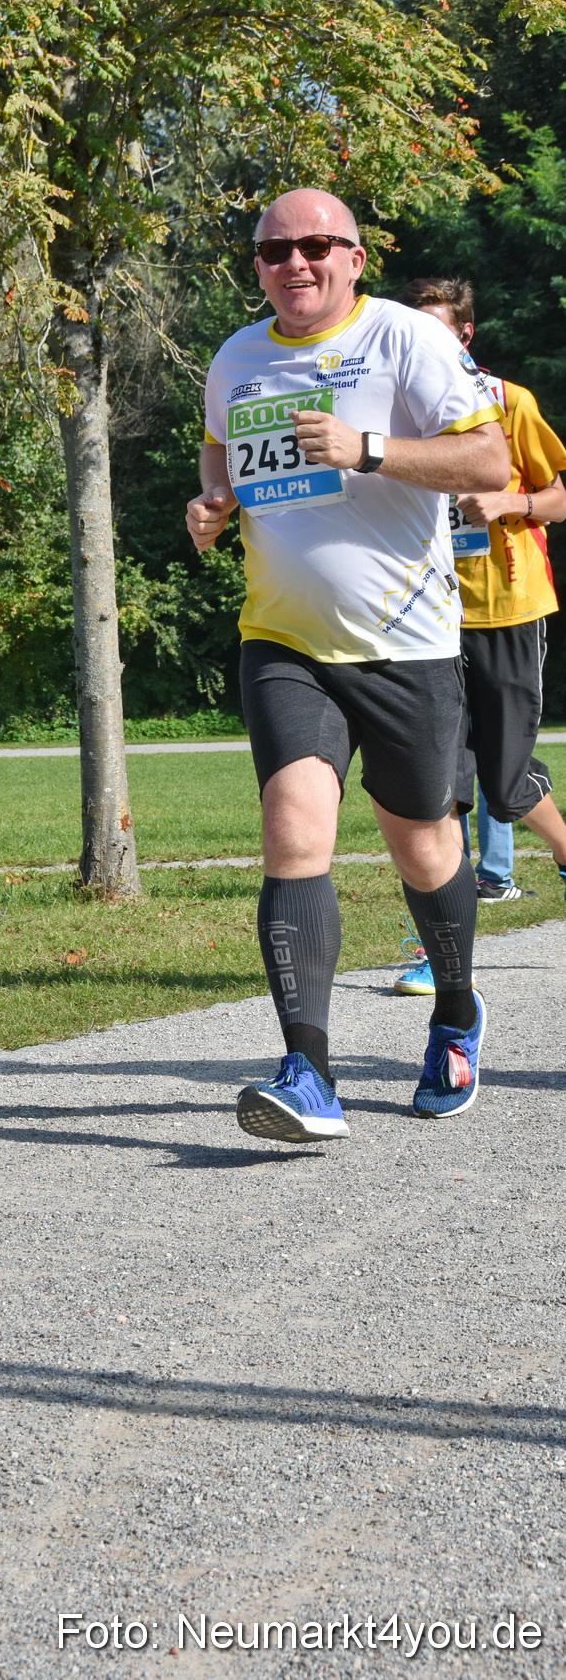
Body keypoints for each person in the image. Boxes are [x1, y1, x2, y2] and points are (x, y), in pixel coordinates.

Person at [186, 189, 510, 1142]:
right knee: (293, 832)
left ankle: (453, 1013)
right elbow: (219, 453)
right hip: (282, 638)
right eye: (275, 251)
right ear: (257, 266)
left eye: (316, 245)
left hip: (405, 642)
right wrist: (210, 505)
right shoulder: (237, 357)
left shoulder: (408, 338)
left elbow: (489, 462)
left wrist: (366, 448)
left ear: (354, 256)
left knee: (422, 846)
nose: (296, 263)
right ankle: (307, 1071)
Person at [391, 277, 566, 995]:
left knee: (503, 780)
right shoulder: (393, 413)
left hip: (507, 608)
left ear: (463, 335)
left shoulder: (509, 402)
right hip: (425, 614)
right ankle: (439, 950)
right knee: (439, 784)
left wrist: (508, 499)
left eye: (438, 332)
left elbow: (558, 495)